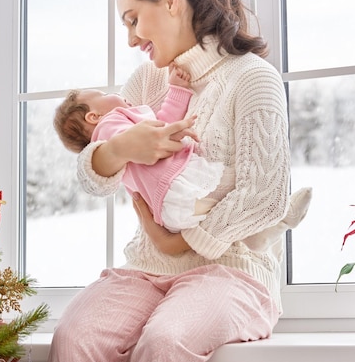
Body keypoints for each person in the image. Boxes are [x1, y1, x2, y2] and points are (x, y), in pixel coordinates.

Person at [48, 0, 310, 362]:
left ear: (170, 1)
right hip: (146, 270)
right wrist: (119, 148)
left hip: (233, 271)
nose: (131, 38)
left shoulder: (253, 79)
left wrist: (178, 242)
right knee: (75, 336)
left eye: (133, 19)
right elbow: (93, 178)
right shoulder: (147, 81)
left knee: (165, 342)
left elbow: (265, 196)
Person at [53, 65, 311, 238]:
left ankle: (269, 228)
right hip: (177, 187)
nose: (114, 93)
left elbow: (156, 127)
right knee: (234, 184)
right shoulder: (112, 124)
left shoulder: (117, 124)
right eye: (102, 93)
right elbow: (151, 135)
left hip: (168, 211)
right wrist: (178, 123)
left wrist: (176, 91)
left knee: (221, 217)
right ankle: (279, 214)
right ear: (93, 116)